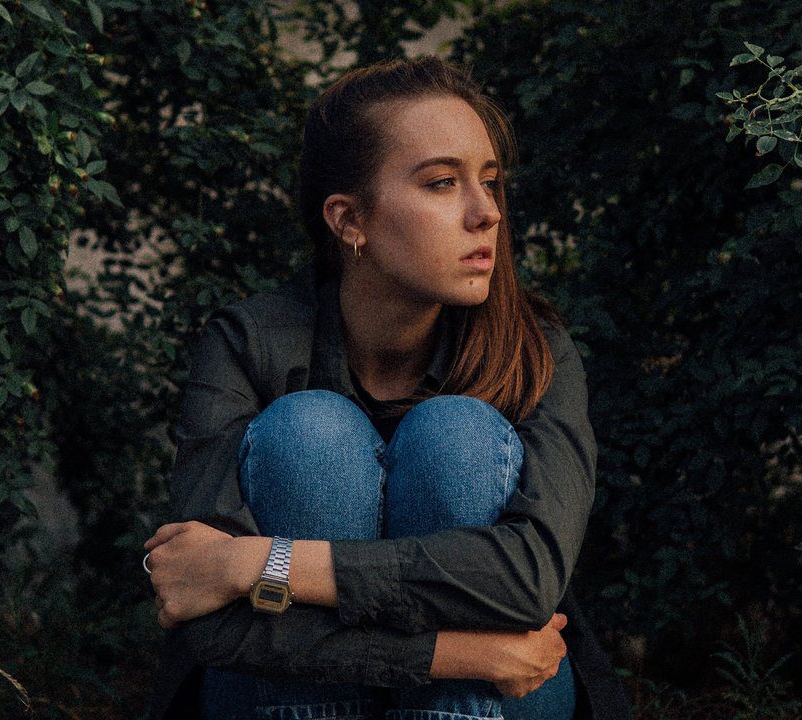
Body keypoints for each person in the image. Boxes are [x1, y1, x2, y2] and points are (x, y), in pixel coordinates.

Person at [142, 55, 632, 720]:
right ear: (349, 221)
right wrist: (453, 653)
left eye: (491, 182)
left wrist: (260, 562)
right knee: (309, 432)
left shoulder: (533, 349)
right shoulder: (249, 343)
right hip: (322, 689)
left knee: (456, 436)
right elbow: (207, 617)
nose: (486, 212)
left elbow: (528, 580)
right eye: (441, 184)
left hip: (500, 697)